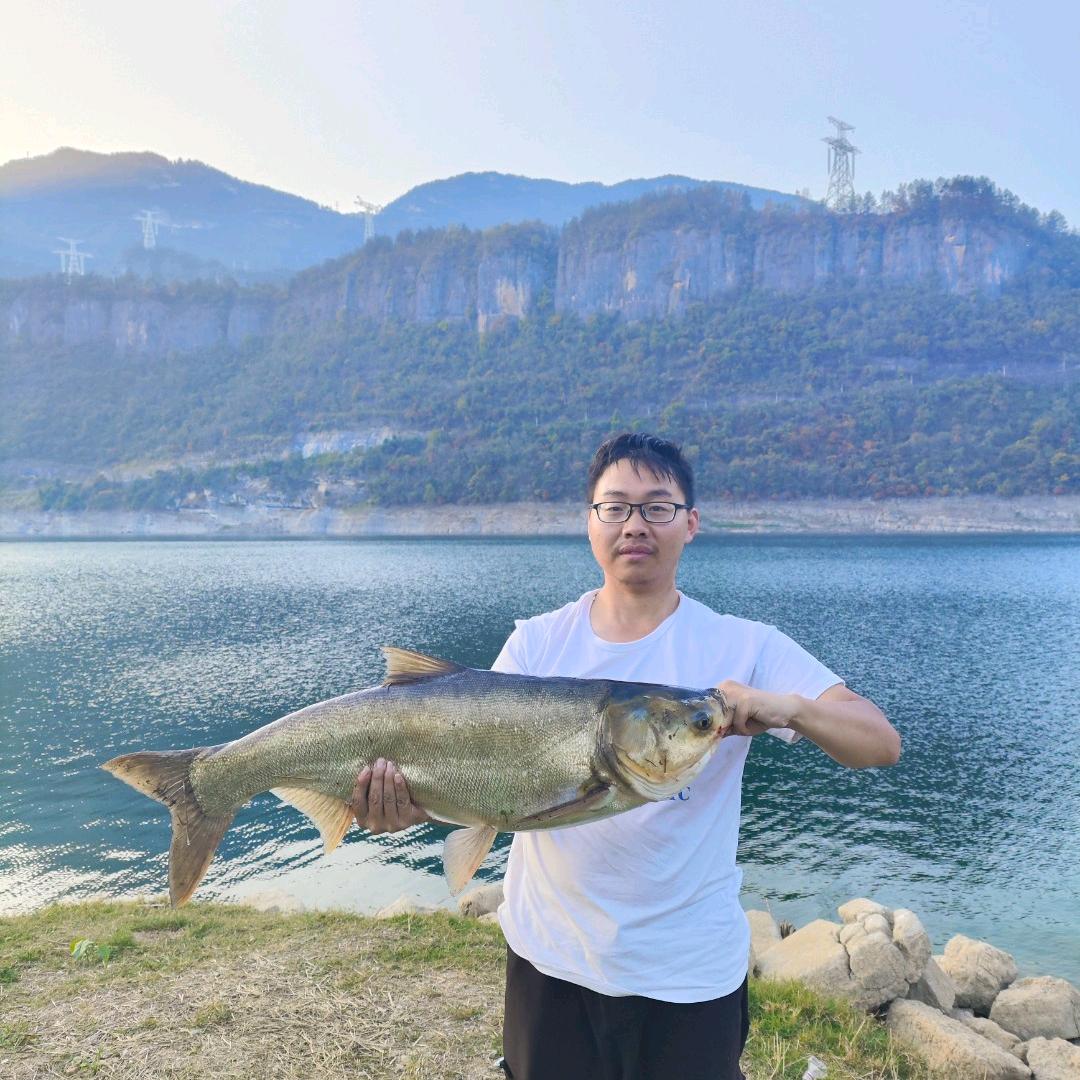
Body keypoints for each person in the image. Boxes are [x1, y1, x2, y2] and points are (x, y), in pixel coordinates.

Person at [352, 432, 900, 1080]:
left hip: (690, 977)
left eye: (657, 507)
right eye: (615, 507)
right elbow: (476, 777)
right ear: (589, 522)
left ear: (690, 523)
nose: (634, 525)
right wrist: (398, 808)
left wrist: (791, 708)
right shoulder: (535, 644)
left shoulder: (745, 646)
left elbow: (879, 743)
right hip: (549, 962)